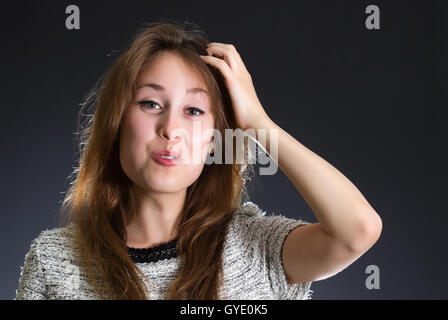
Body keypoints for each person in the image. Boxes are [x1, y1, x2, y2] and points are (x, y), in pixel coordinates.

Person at [15, 20, 382, 300]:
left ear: (213, 142)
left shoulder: (256, 249)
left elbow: (358, 229)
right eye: (151, 104)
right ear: (117, 122)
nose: (170, 129)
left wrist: (258, 123)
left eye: (193, 110)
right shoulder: (54, 261)